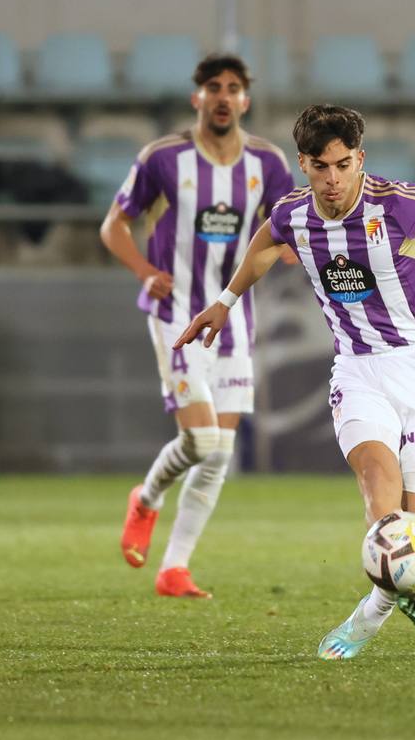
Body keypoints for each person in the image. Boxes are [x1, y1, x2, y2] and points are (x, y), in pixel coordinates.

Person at [174, 105, 415, 659]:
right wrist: (223, 302)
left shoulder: (400, 203)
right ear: (302, 164)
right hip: (357, 368)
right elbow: (261, 249)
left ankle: (375, 608)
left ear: (360, 159)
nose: (332, 179)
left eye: (343, 164)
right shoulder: (292, 214)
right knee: (380, 488)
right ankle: (388, 599)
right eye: (319, 167)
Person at [101, 53, 295, 599]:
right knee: (203, 438)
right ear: (198, 97)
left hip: (234, 321)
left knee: (220, 455)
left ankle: (174, 569)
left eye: (234, 88)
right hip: (176, 316)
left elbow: (285, 230)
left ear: (245, 100)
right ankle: (147, 498)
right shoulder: (163, 159)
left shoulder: (267, 163)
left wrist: (295, 253)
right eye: (214, 87)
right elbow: (114, 224)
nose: (223, 96)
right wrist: (143, 269)